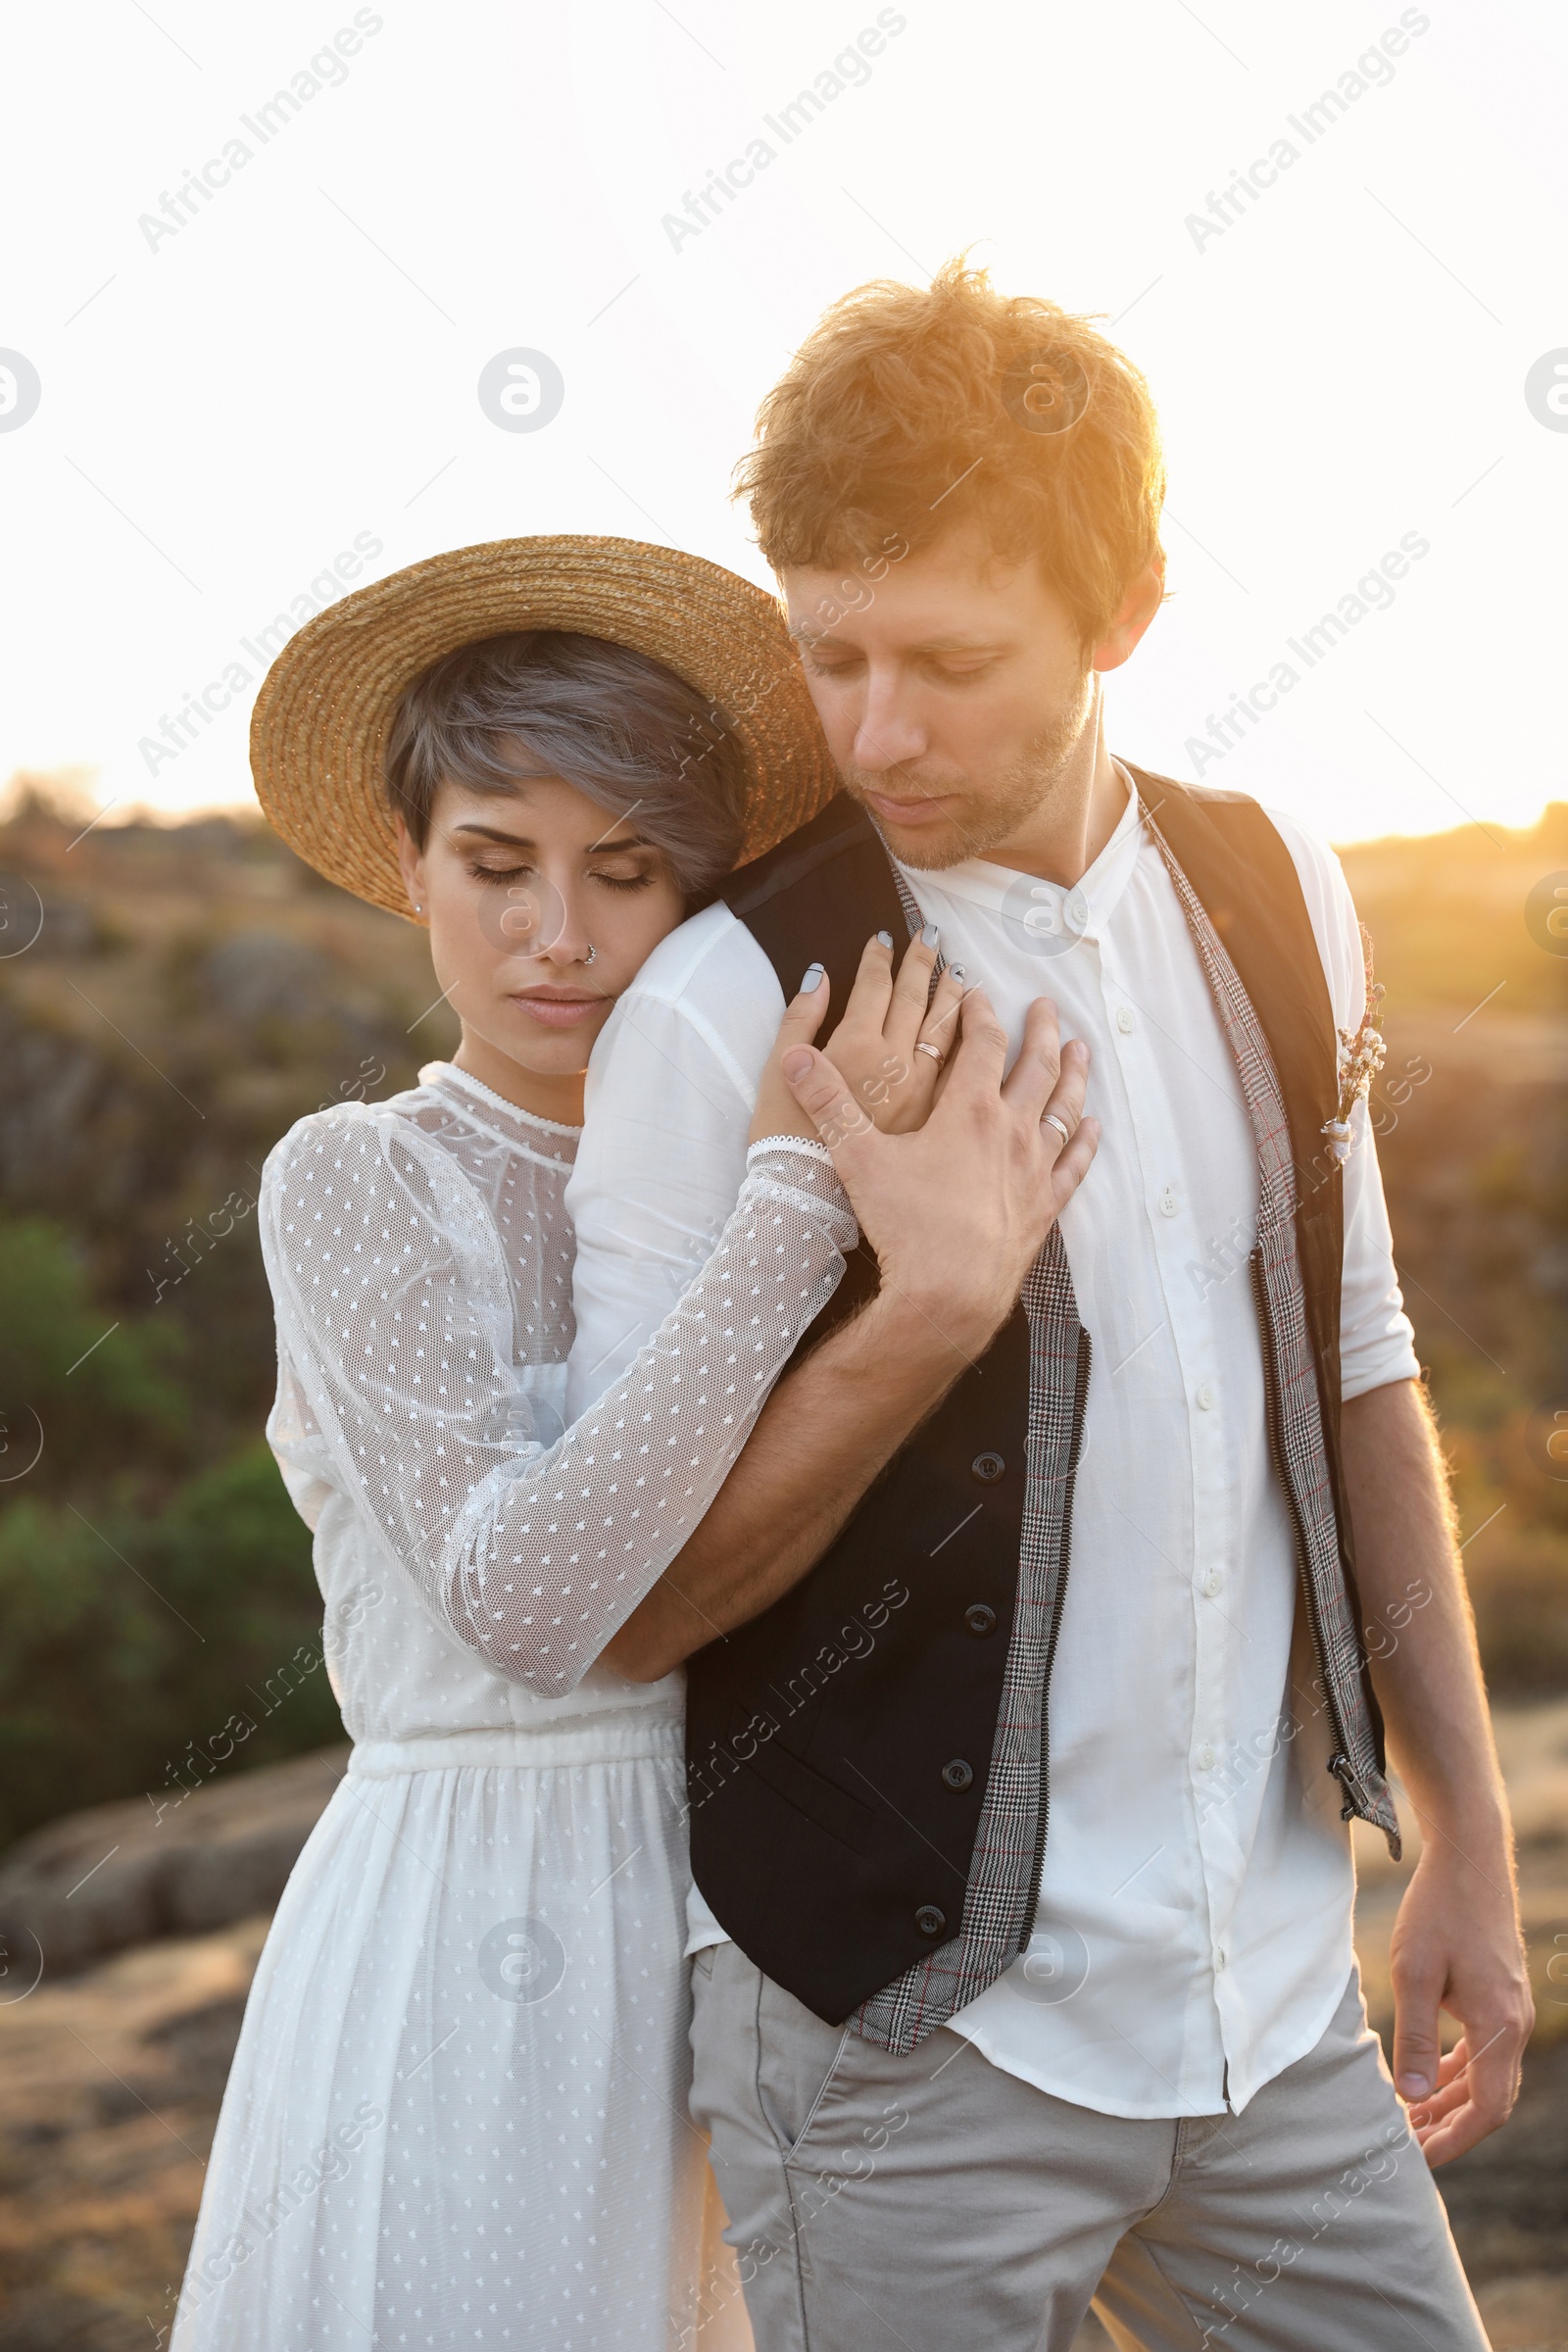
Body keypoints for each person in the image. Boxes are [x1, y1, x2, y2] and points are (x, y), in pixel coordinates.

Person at [568, 270, 1534, 2349]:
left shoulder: (1278, 878)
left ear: (1126, 615)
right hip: (903, 2052)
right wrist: (922, 1309)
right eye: (826, 653)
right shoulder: (725, 1005)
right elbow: (632, 1607)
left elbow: (1353, 1360)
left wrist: (1460, 1830)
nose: (873, 733)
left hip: (1268, 2013)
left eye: (946, 659)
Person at [172, 534, 1097, 2351]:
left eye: (627, 873)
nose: (559, 937)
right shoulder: (359, 1177)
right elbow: (529, 1601)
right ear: (413, 869)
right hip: (473, 1910)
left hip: (743, 1905)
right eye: (494, 866)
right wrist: (795, 1201)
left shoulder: (713, 1135)